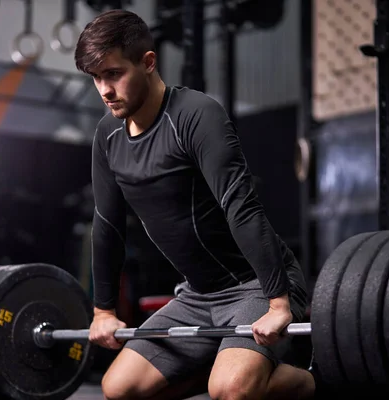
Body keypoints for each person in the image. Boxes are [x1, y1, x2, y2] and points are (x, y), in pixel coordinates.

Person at [75, 9, 317, 400]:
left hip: (253, 285)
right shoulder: (107, 136)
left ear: (148, 62)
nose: (104, 89)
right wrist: (103, 310)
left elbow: (240, 205)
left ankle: (314, 382)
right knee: (120, 389)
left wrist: (277, 301)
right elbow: (107, 225)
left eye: (114, 73)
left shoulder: (195, 114)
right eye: (96, 78)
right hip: (197, 295)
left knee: (231, 391)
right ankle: (228, 362)